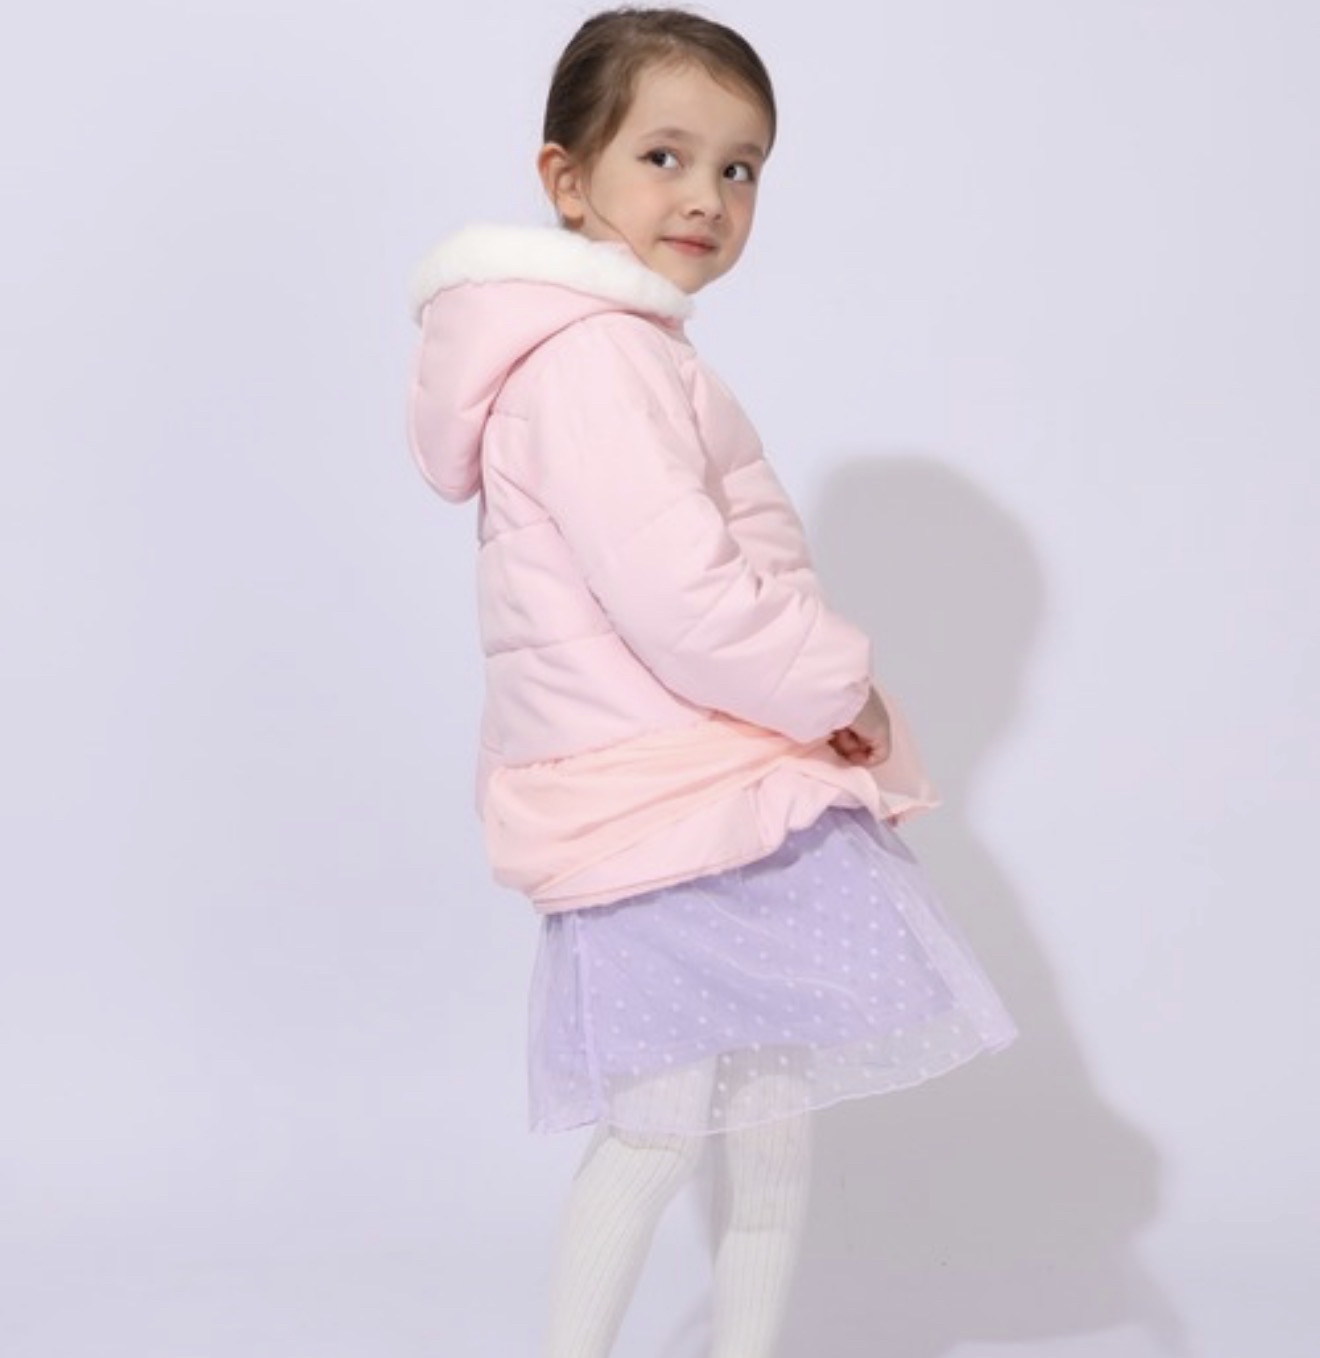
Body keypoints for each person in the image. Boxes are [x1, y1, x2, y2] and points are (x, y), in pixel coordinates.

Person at [406, 8, 1017, 1356]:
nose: (707, 197)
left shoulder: (632, 347)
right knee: (664, 1125)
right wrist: (840, 688)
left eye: (740, 169)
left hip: (711, 782)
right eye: (665, 157)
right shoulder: (592, 359)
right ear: (568, 178)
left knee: (772, 1129)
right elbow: (680, 597)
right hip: (663, 799)